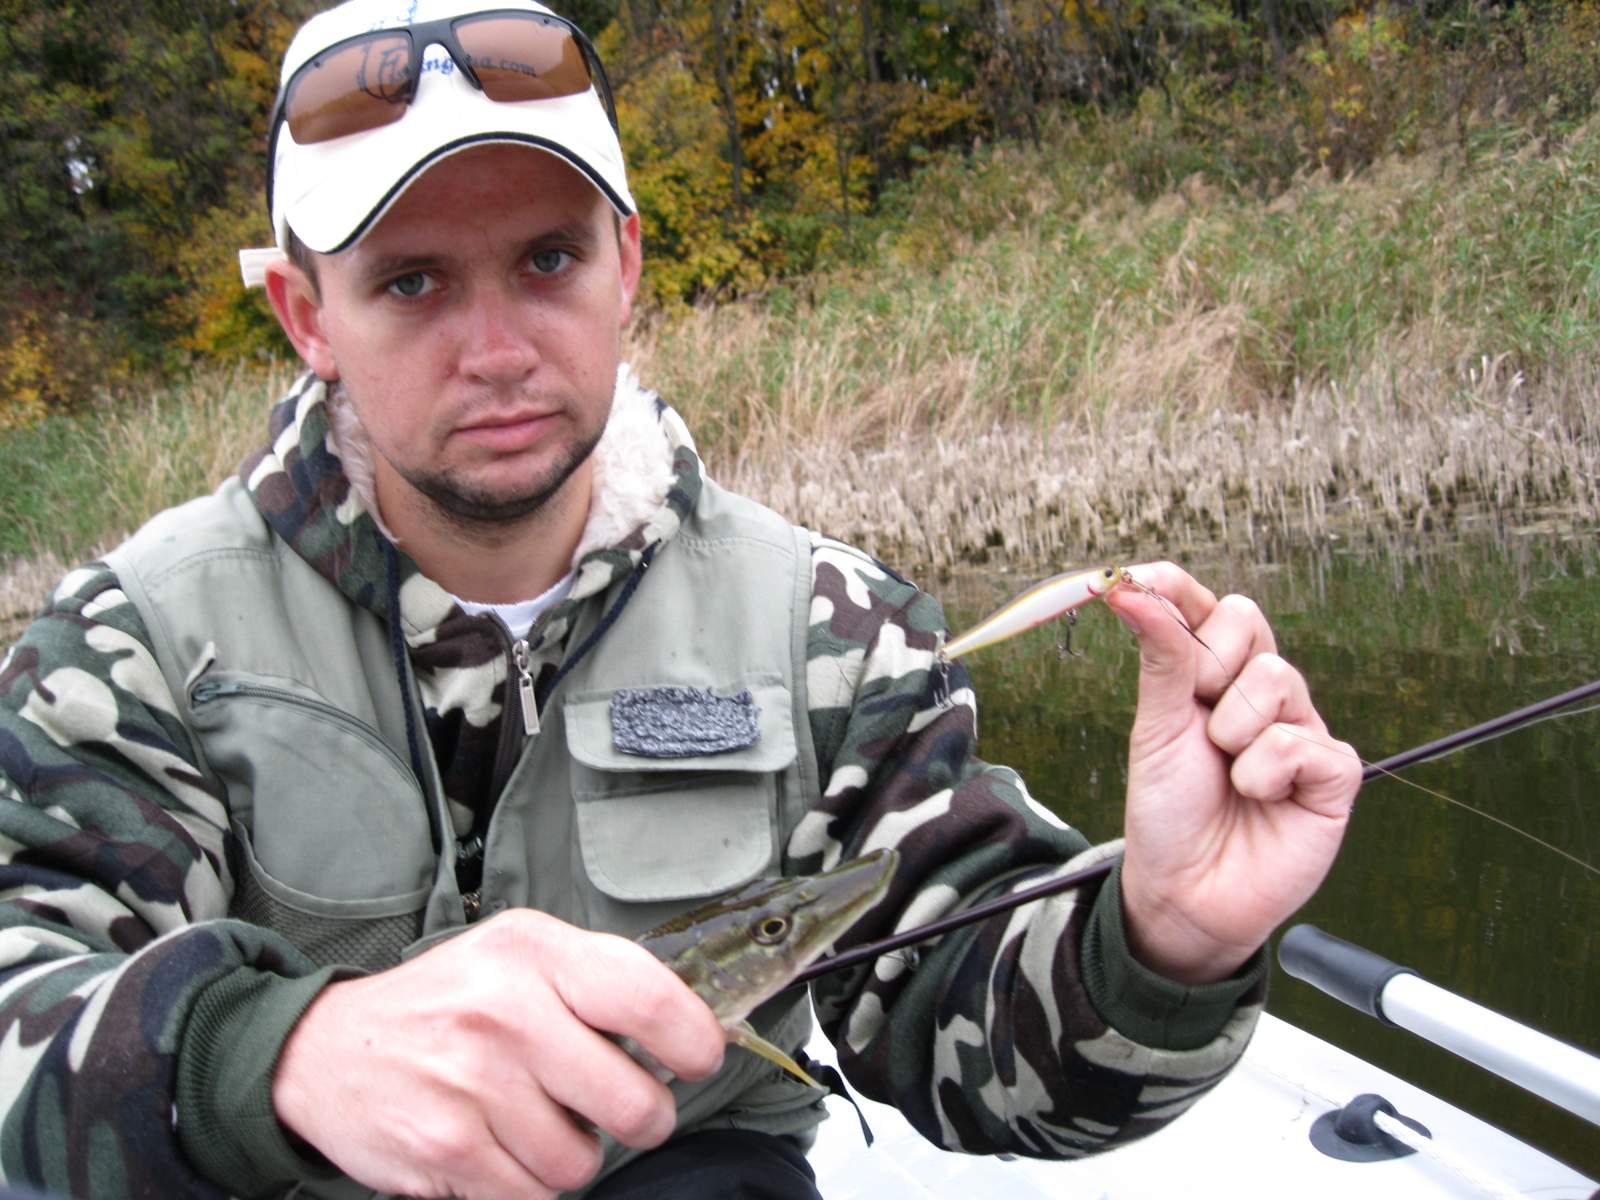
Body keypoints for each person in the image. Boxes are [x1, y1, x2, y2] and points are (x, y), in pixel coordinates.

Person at [0, 1, 1360, 1197]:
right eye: (411, 282)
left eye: (548, 260)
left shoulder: (831, 631)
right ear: (307, 317)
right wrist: (274, 1057)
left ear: (628, 262)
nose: (497, 351)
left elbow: (969, 1032)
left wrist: (1164, 941)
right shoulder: (133, 646)